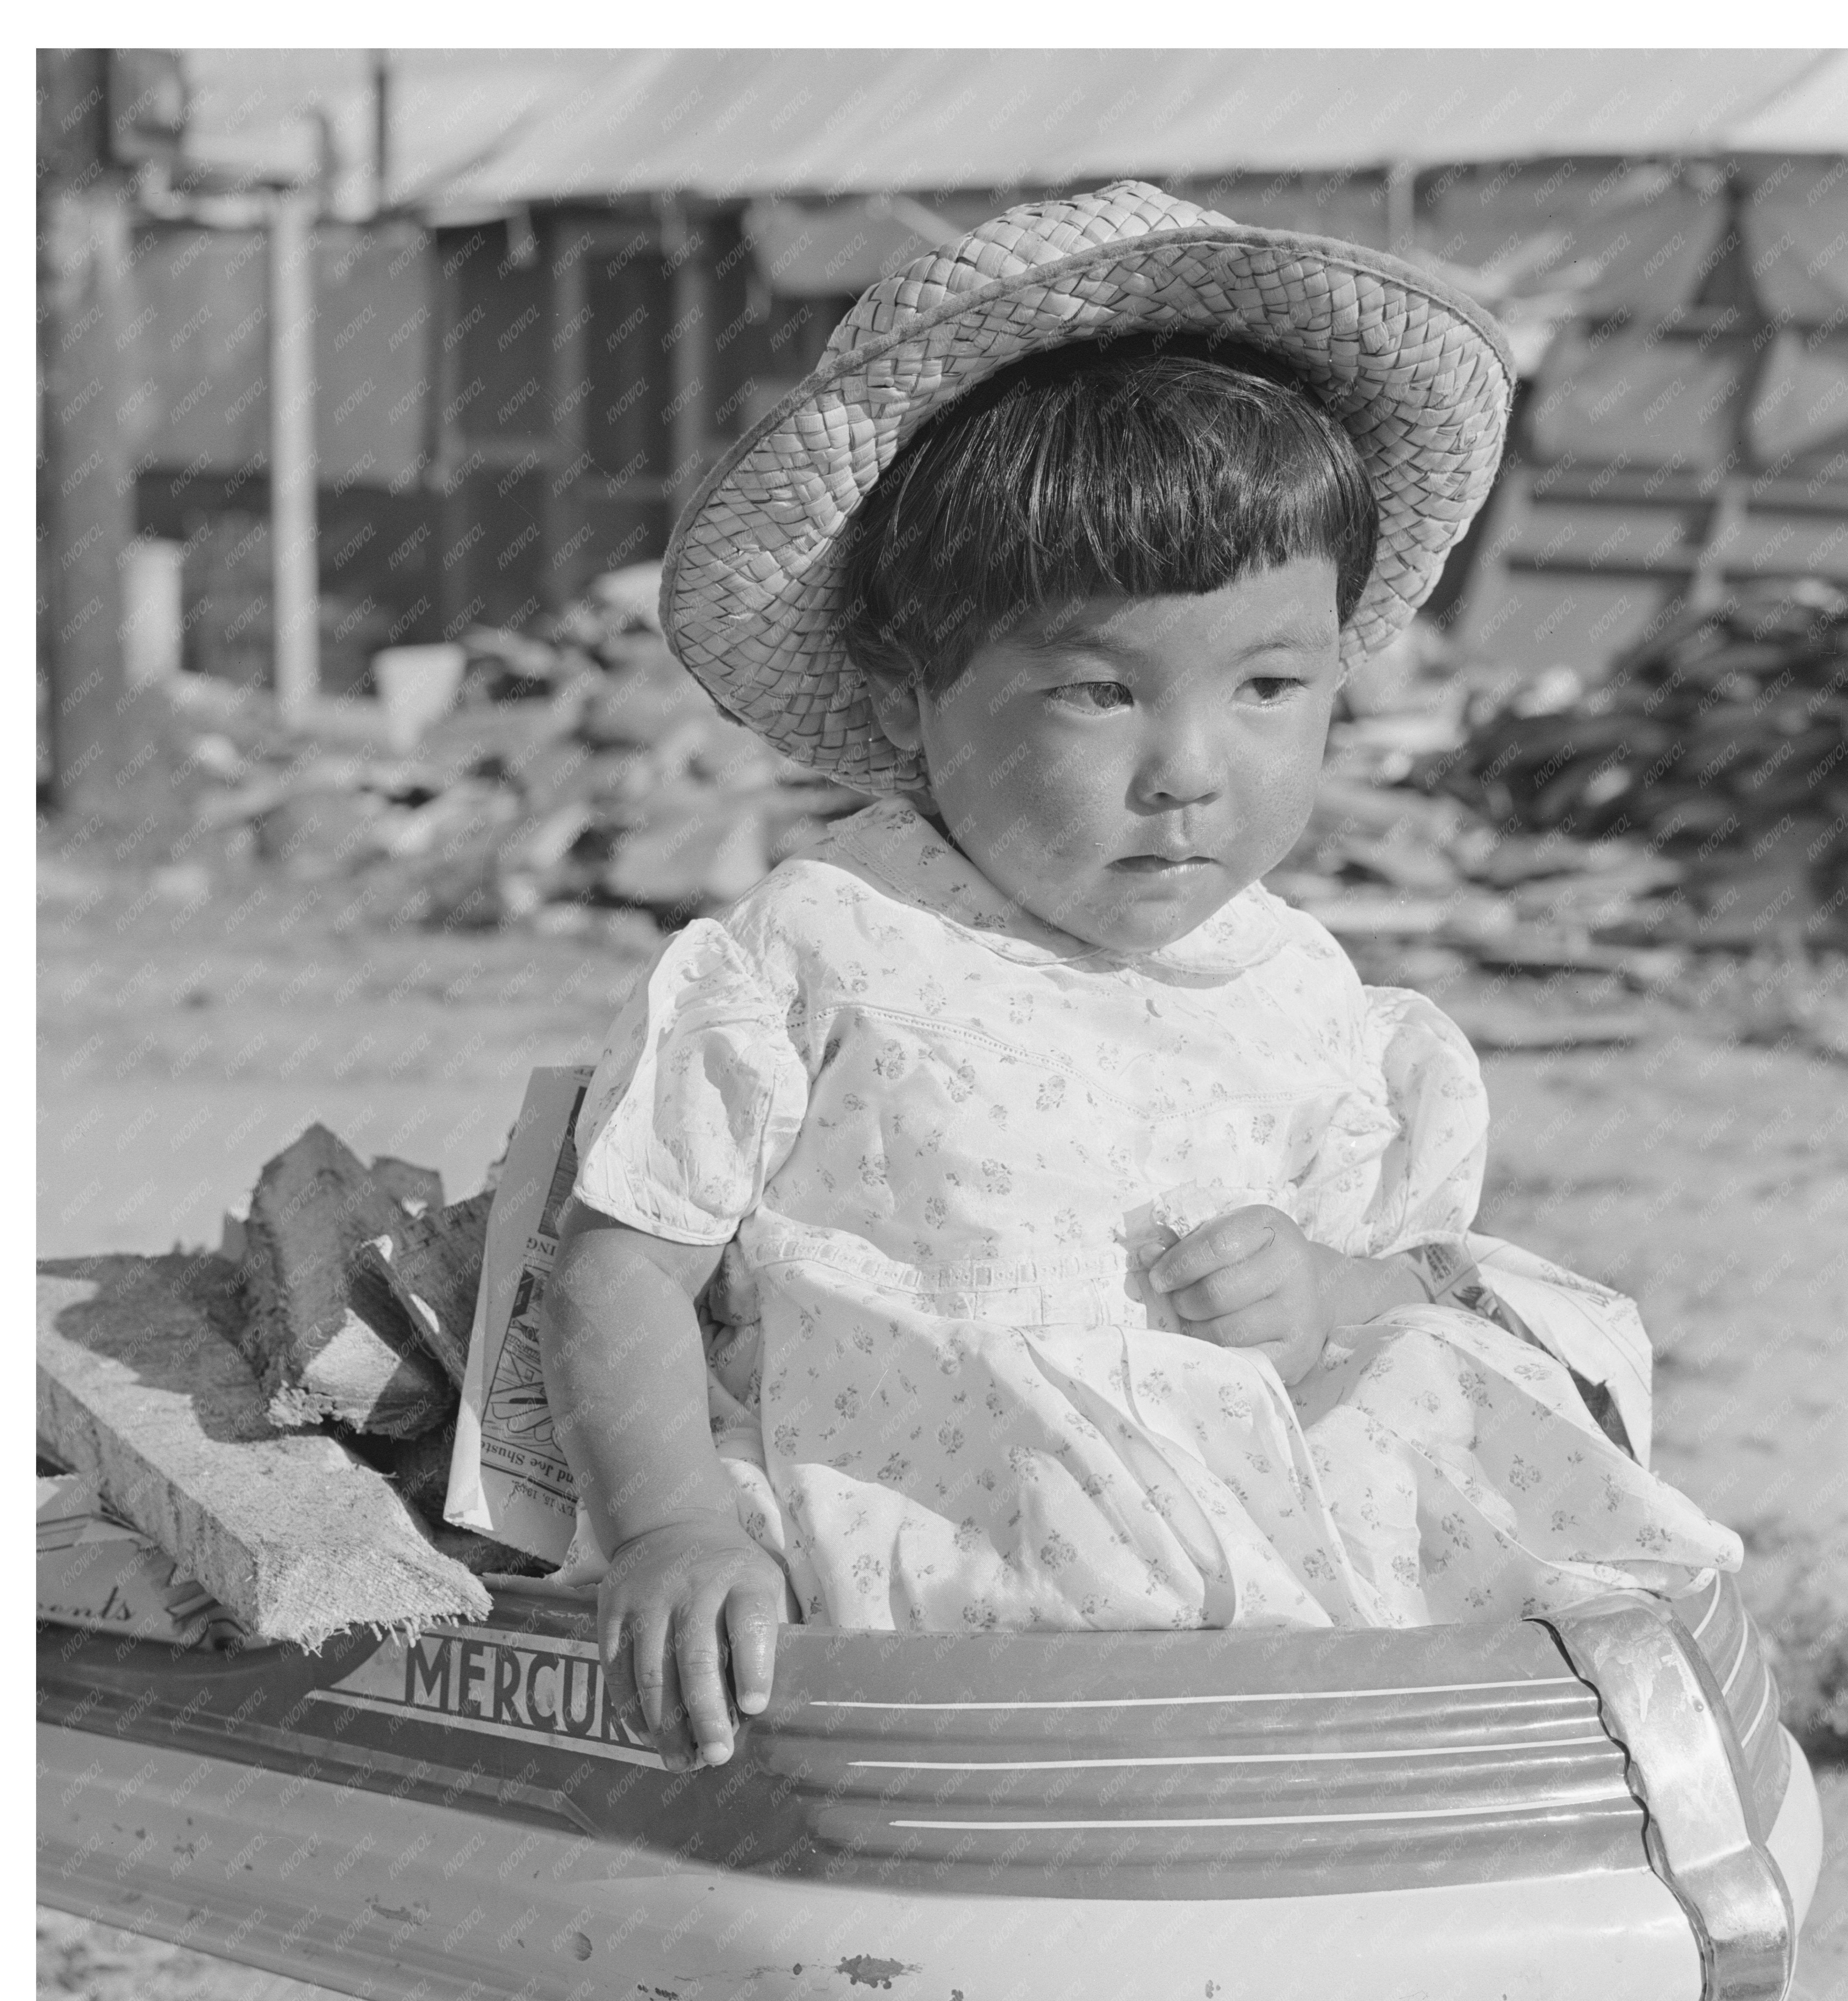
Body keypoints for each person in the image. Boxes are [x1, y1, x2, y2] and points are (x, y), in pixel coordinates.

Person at [541, 181, 1738, 1771]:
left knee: (1479, 1372)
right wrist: (671, 1530)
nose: (1189, 770)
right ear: (913, 701)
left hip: (1252, 1559)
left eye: (1266, 685)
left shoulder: (1303, 995)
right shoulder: (822, 947)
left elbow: (1393, 1271)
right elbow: (626, 1262)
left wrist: (1318, 1296)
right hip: (956, 1556)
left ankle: (1523, 1769)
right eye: (1099, 690)